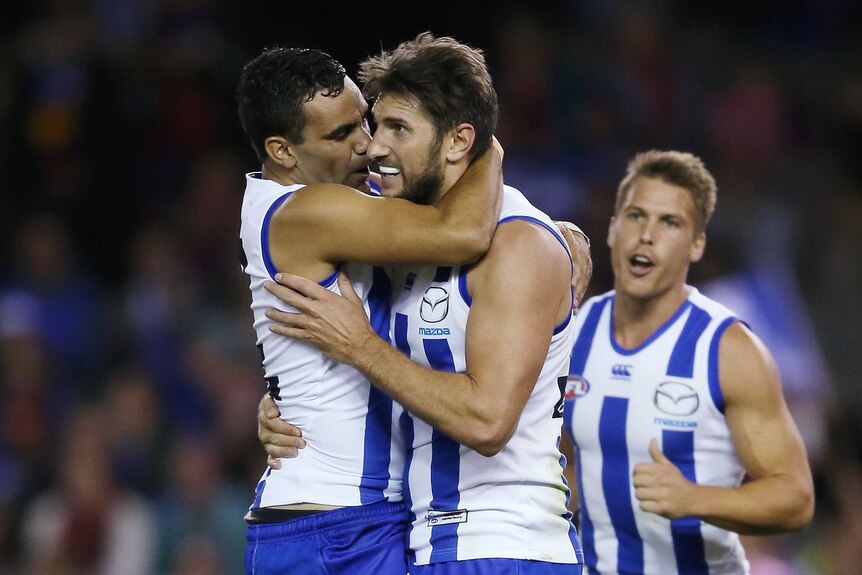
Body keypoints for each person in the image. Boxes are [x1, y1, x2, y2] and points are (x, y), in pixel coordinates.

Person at [260, 32, 585, 574]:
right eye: (375, 124)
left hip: (506, 547)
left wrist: (361, 347)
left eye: (398, 129)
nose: (375, 146)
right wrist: (285, 404)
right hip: (421, 543)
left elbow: (486, 421)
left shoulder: (517, 244)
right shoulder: (407, 238)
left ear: (459, 142)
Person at [236, 43, 506, 574]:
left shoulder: (346, 199)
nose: (368, 144)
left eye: (364, 120)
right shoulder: (302, 210)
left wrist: (565, 234)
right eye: (340, 135)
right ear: (282, 151)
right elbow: (464, 230)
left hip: (361, 517)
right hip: (331, 527)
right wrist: (487, 146)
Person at [560, 150, 814, 574]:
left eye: (669, 222)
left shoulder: (729, 349)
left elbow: (796, 498)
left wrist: (693, 498)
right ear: (612, 228)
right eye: (636, 216)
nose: (646, 235)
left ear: (697, 244)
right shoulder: (574, 333)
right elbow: (565, 463)